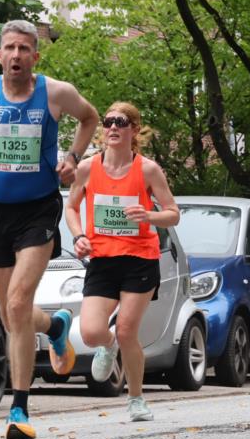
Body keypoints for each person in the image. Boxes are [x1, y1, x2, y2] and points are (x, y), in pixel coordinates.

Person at [0, 20, 99, 439]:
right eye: (9, 48)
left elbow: (90, 117)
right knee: (13, 313)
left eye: (24, 48)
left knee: (15, 302)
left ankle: (19, 408)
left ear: (35, 55)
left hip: (39, 210)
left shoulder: (55, 92)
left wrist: (71, 156)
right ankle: (55, 326)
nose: (16, 55)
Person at [65, 102, 180, 421]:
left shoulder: (147, 170)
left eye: (120, 122)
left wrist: (150, 215)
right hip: (102, 260)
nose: (112, 127)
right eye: (108, 122)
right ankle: (107, 344)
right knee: (90, 332)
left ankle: (136, 399)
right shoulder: (88, 168)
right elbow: (71, 208)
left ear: (134, 129)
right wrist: (77, 237)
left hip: (139, 260)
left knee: (128, 330)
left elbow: (174, 214)